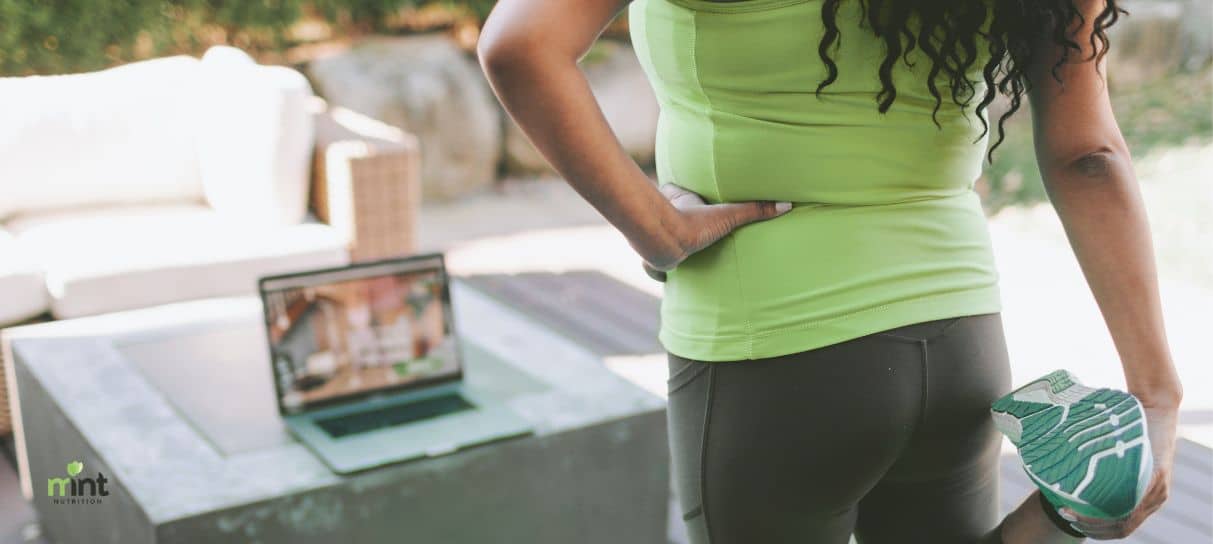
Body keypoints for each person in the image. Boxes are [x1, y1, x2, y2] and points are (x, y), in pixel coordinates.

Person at [476, 0, 1184, 542]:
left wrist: (656, 228)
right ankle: (1068, 514)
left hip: (774, 348)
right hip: (958, 338)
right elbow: (1087, 154)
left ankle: (1067, 514)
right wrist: (1155, 392)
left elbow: (520, 45)